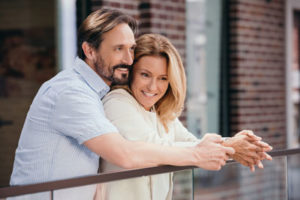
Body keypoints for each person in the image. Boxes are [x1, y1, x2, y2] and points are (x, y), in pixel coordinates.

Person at [9, 9, 271, 199]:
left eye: (131, 49)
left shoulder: (95, 93)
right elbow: (126, 154)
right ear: (89, 50)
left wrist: (231, 146)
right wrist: (201, 154)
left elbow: (186, 141)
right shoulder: (72, 92)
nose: (128, 59)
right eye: (118, 49)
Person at [94, 33, 272, 200]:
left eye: (163, 78)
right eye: (145, 75)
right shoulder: (116, 103)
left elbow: (191, 143)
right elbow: (154, 148)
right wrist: (229, 145)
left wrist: (233, 145)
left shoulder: (160, 111)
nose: (153, 86)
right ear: (131, 73)